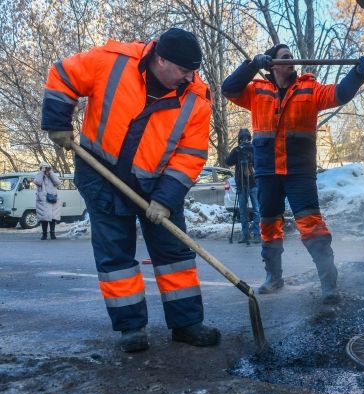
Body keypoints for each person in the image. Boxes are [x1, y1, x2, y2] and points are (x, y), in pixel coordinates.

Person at [41, 28, 219, 353]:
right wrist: (57, 122)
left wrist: (165, 200)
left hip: (159, 183)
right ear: (160, 58)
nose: (188, 77)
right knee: (116, 256)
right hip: (101, 172)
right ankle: (131, 329)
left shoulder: (196, 97)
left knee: (174, 255)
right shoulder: (112, 62)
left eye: (193, 71)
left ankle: (186, 324)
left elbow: (190, 155)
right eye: (183, 70)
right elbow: (63, 74)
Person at [222, 44, 364, 304]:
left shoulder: (310, 89)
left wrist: (359, 72)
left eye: (292, 55)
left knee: (312, 227)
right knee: (269, 227)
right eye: (284, 57)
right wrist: (251, 65)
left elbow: (340, 93)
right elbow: (229, 88)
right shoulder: (256, 91)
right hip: (267, 173)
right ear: (271, 64)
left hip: (299, 173)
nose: (291, 59)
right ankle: (274, 277)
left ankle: (329, 283)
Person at [225, 128, 260, 244]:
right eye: (242, 138)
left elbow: (258, 163)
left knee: (256, 210)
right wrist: (236, 151)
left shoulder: (253, 149)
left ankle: (257, 234)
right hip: (241, 184)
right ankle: (245, 235)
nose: (244, 140)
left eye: (246, 138)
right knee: (243, 211)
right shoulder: (237, 150)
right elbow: (228, 162)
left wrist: (251, 150)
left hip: (253, 183)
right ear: (239, 139)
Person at [34, 161, 61, 240]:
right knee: (44, 218)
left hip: (52, 198)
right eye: (43, 167)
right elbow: (37, 182)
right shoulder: (39, 175)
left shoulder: (51, 175)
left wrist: (51, 173)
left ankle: (52, 233)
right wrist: (42, 172)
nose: (45, 169)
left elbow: (58, 183)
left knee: (52, 218)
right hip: (42, 200)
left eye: (46, 167)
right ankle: (44, 234)